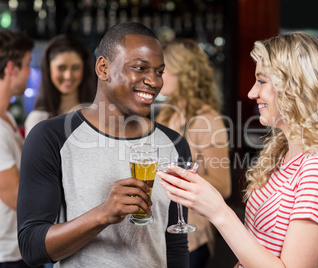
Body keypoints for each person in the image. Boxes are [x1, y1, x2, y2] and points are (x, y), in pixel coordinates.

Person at [157, 31, 318, 268]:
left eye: (262, 81)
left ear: (296, 87)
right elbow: (259, 252)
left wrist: (219, 212)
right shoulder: (282, 156)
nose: (252, 93)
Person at [17, 22, 191, 267]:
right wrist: (103, 214)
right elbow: (31, 247)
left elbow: (175, 243)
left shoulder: (175, 144)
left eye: (159, 72)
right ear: (103, 68)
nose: (153, 81)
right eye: (140, 68)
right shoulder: (50, 137)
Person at [155, 38, 231, 267]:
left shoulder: (206, 119)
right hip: (163, 232)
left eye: (163, 69)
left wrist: (179, 176)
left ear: (183, 71)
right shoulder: (167, 115)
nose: (157, 76)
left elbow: (223, 186)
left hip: (192, 236)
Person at [0, 30, 36, 268]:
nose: (30, 73)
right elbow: (15, 197)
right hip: (7, 254)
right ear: (11, 68)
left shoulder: (8, 119)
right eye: (27, 65)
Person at [24, 34, 96, 137]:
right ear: (49, 69)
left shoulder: (97, 114)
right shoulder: (38, 119)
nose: (68, 76)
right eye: (61, 68)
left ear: (85, 69)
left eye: (75, 67)